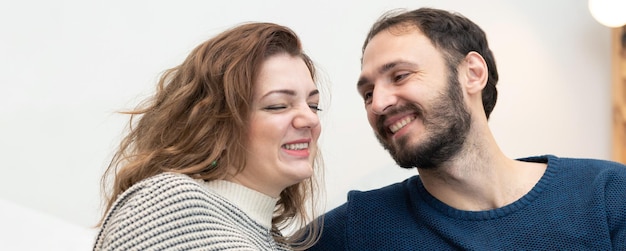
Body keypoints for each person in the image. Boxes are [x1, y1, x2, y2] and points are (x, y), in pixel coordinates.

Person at [308, 7, 626, 250]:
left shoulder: (605, 193)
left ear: (472, 73)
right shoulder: (358, 227)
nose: (378, 103)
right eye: (367, 93)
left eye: (400, 76)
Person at [94, 22, 325, 250]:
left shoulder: (269, 240)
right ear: (215, 122)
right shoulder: (171, 211)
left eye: (313, 106)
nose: (311, 119)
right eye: (278, 105)